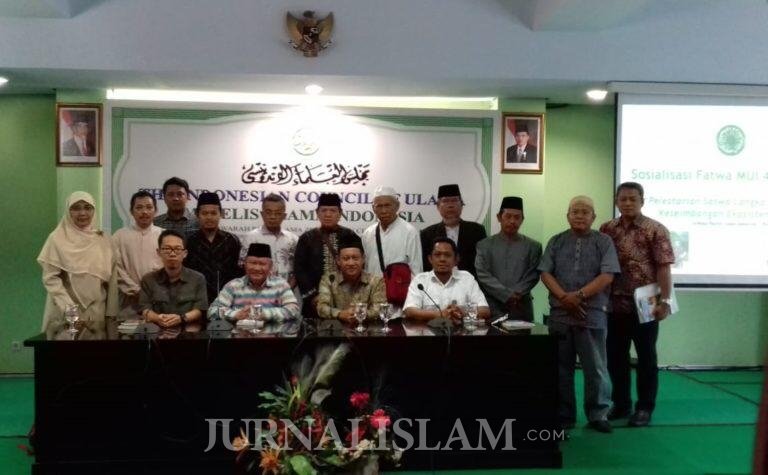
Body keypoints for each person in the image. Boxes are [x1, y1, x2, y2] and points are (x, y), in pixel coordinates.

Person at [539, 195, 620, 434]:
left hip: (591, 314)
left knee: (595, 368)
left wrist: (579, 296)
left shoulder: (603, 241)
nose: (580, 216)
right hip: (560, 315)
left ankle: (598, 414)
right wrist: (565, 298)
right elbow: (545, 273)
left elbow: (607, 276)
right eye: (575, 211)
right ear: (567, 215)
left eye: (585, 212)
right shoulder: (556, 241)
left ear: (594, 217)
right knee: (560, 369)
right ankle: (564, 416)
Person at [599, 181, 675, 428]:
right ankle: (621, 405)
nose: (628, 203)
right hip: (614, 304)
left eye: (633, 199)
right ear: (616, 201)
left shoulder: (656, 229)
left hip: (647, 304)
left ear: (642, 201)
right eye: (623, 199)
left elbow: (663, 267)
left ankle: (644, 408)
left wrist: (665, 301)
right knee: (615, 357)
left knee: (646, 358)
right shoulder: (607, 229)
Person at [37, 191, 117, 332]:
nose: (82, 213)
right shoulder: (56, 239)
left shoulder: (104, 240)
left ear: (94, 210)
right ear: (68, 211)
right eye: (76, 208)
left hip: (96, 313)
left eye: (87, 207)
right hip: (64, 313)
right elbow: (50, 279)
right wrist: (70, 311)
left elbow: (112, 282)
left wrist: (111, 316)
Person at [475, 196, 542, 321]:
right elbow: (482, 274)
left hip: (521, 305)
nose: (512, 221)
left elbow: (533, 274)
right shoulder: (484, 245)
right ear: (499, 217)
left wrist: (516, 294)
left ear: (522, 220)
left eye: (517, 217)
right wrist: (506, 295)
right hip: (492, 305)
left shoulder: (534, 246)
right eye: (508, 216)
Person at [294, 193, 358, 318]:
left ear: (340, 213)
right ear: (317, 213)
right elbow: (300, 270)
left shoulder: (350, 236)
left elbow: (358, 266)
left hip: (346, 301)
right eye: (324, 210)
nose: (328, 214)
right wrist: (313, 296)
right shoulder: (307, 238)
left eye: (333, 211)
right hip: (315, 302)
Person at [403, 237, 490, 324]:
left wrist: (462, 312)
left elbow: (485, 310)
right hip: (428, 331)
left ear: (456, 259)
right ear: (430, 259)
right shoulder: (420, 280)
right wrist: (439, 314)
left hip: (461, 331)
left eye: (447, 255)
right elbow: (409, 310)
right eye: (437, 255)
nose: (442, 259)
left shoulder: (467, 278)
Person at [208, 243, 300, 323]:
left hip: (273, 336)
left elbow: (294, 311)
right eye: (253, 263)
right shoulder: (233, 286)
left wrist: (265, 314)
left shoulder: (281, 285)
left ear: (270, 266)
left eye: (262, 264)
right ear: (245, 264)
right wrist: (236, 314)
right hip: (239, 336)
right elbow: (212, 312)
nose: (256, 268)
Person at [138, 230, 208, 328]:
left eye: (177, 249)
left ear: (185, 253)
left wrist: (181, 318)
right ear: (159, 252)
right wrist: (157, 318)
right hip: (157, 331)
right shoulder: (148, 279)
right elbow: (144, 309)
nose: (172, 254)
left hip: (189, 331)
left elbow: (200, 310)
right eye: (167, 249)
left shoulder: (197, 279)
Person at [184, 192, 243, 303]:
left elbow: (239, 273)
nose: (209, 217)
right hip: (196, 300)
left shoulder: (232, 240)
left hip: (227, 299)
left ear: (221, 214)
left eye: (213, 213)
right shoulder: (189, 241)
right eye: (204, 213)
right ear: (197, 214)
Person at [112, 190, 163, 313]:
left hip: (159, 300)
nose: (144, 212)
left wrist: (155, 292)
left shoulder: (164, 235)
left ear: (156, 211)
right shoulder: (119, 236)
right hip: (128, 303)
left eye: (149, 207)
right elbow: (117, 269)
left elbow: (170, 266)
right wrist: (136, 291)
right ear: (131, 211)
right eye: (139, 208)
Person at [420, 184, 486, 277]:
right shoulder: (427, 234)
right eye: (445, 201)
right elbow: (425, 266)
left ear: (462, 205)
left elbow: (483, 263)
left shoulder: (477, 230)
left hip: (470, 282)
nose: (450, 205)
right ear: (438, 206)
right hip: (438, 282)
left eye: (454, 200)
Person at [317, 234, 386, 322]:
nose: (351, 263)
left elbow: (380, 309)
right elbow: (321, 308)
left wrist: (357, 314)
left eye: (355, 258)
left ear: (363, 259)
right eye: (346, 259)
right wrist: (340, 314)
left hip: (368, 329)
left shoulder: (376, 281)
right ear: (338, 260)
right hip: (337, 329)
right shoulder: (329, 280)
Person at [240, 193, 299, 289]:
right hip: (258, 292)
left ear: (284, 216)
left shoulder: (293, 239)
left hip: (288, 291)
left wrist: (287, 289)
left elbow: (299, 269)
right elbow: (243, 267)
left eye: (278, 213)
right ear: (262, 214)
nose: (273, 216)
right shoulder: (251, 238)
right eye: (268, 212)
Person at [361, 186, 422, 277]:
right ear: (373, 208)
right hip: (372, 285)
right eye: (379, 206)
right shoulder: (368, 233)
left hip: (400, 286)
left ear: (397, 206)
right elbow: (366, 266)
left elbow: (416, 269)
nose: (384, 211)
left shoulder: (409, 232)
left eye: (387, 205)